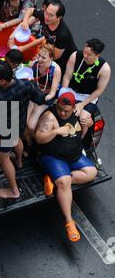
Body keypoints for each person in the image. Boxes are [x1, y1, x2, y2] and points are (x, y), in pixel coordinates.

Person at [35, 92, 97, 242]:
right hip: (54, 157)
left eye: (66, 111)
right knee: (65, 181)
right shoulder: (50, 117)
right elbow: (38, 138)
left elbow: (84, 131)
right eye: (60, 109)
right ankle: (69, 222)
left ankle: (54, 180)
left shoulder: (78, 113)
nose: (62, 113)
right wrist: (56, 131)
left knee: (92, 172)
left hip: (74, 155)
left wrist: (88, 125)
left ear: (74, 107)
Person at [0, 60, 46, 198]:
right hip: (20, 124)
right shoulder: (25, 84)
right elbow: (41, 99)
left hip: (5, 131)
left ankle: (13, 191)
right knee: (17, 140)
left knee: (2, 157)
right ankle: (19, 161)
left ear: (3, 81)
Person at [61, 38, 111, 138]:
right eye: (84, 52)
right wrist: (64, 94)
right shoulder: (75, 56)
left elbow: (99, 91)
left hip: (88, 96)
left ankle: (80, 141)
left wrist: (82, 105)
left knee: (83, 118)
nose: (85, 56)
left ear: (97, 55)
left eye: (89, 55)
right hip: (71, 90)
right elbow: (67, 76)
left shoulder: (104, 69)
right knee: (61, 108)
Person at [20, 0, 77, 74]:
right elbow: (30, 10)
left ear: (59, 17)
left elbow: (55, 56)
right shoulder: (44, 16)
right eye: (46, 12)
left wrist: (38, 59)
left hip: (64, 60)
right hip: (49, 48)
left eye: (50, 15)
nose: (46, 17)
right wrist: (25, 21)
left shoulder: (63, 34)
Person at [27, 43, 61, 134]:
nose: (40, 59)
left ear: (51, 58)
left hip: (45, 96)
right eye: (39, 55)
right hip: (34, 93)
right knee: (25, 121)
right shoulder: (33, 64)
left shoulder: (56, 70)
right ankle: (29, 140)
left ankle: (36, 141)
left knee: (31, 125)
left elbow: (52, 92)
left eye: (44, 58)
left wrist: (45, 98)